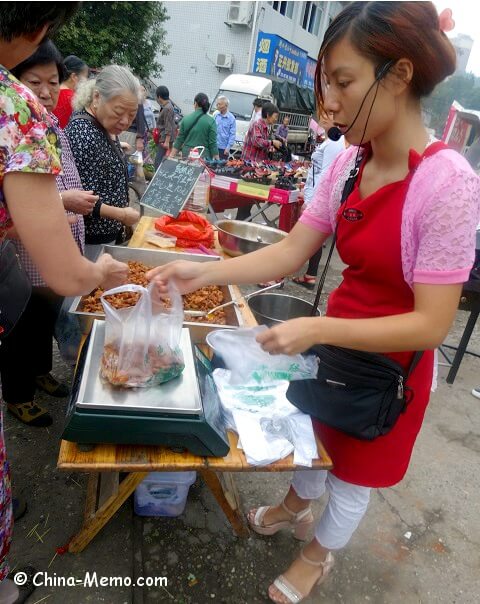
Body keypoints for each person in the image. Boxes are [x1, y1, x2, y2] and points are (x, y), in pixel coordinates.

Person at [147, 3, 480, 602]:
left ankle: (316, 553)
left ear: (399, 75)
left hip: (392, 368)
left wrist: (318, 327)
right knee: (315, 429)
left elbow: (431, 323)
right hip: (335, 336)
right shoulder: (351, 164)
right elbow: (290, 251)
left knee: (355, 471)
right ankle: (296, 502)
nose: (330, 100)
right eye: (327, 81)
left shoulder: (448, 183)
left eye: (344, 81)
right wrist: (198, 272)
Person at [0, 4, 128, 602]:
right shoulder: (14, 110)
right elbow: (61, 269)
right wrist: (96, 271)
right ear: (35, 27)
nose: (48, 90)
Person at [1, 40, 98, 427]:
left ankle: (40, 372)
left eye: (52, 81)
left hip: (54, 241)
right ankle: (17, 395)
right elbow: (20, 201)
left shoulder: (50, 121)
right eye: (33, 80)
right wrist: (64, 203)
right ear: (15, 80)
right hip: (23, 250)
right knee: (20, 325)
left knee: (44, 317)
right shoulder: (14, 122)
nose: (44, 90)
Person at [65, 64, 141, 260]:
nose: (125, 121)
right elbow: (82, 200)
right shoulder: (82, 132)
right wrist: (122, 215)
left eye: (131, 115)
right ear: (97, 97)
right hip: (91, 239)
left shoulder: (104, 126)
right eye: (118, 112)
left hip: (106, 234)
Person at [293, 112, 346, 289]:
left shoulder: (335, 143)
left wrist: (311, 201)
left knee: (303, 238)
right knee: (313, 239)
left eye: (329, 114)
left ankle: (277, 277)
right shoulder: (330, 140)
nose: (323, 116)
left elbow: (326, 175)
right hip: (314, 195)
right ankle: (310, 275)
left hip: (317, 198)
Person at [237, 102, 282, 221]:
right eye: (275, 116)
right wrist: (272, 143)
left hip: (256, 166)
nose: (276, 119)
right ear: (268, 115)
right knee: (246, 193)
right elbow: (257, 141)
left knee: (249, 195)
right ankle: (242, 218)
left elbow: (262, 145)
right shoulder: (257, 125)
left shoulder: (266, 127)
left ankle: (245, 217)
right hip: (249, 165)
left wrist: (271, 147)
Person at [170, 92, 219, 161]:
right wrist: (217, 160)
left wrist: (171, 155)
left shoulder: (186, 119)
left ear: (195, 103)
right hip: (204, 157)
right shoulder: (211, 121)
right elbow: (213, 144)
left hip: (187, 155)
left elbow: (179, 139)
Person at [52, 54, 88, 128]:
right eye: (85, 77)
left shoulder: (51, 92)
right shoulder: (76, 100)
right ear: (74, 77)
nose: (86, 82)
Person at [154, 85, 176, 169]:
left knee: (158, 161)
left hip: (164, 138)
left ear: (159, 96)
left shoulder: (167, 108)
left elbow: (168, 125)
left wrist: (166, 141)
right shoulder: (168, 106)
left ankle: (157, 180)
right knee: (161, 160)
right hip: (164, 137)